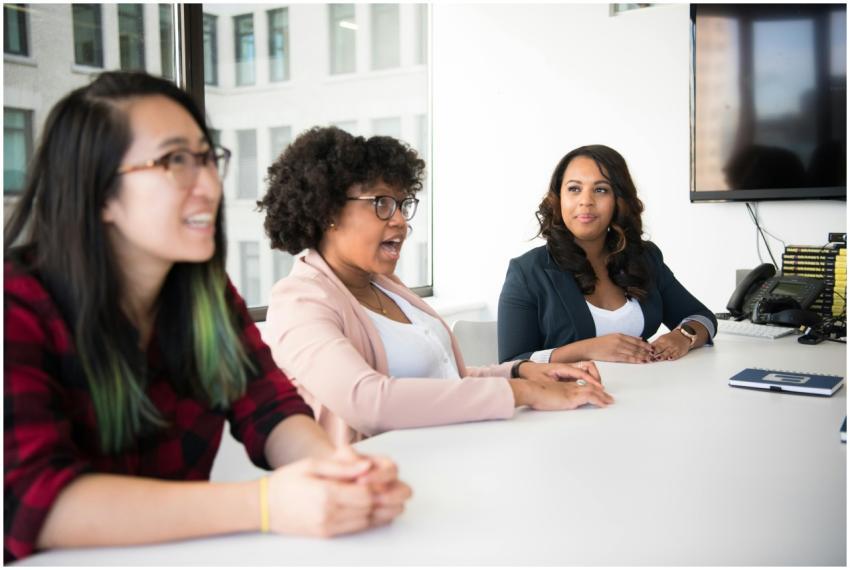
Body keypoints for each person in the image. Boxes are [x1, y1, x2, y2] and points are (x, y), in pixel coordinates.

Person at [3, 72, 410, 563]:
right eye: (175, 161)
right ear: (99, 193)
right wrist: (264, 504)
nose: (209, 184)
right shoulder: (17, 304)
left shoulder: (206, 293)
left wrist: (339, 474)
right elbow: (29, 503)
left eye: (206, 158)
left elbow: (269, 408)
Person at [258, 127, 613, 446]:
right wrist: (520, 392)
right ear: (328, 212)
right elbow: (369, 402)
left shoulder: (386, 285)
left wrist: (522, 371)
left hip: (449, 461)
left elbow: (443, 377)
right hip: (379, 492)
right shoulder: (300, 301)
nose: (399, 220)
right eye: (381, 203)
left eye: (402, 204)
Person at [497, 144, 716, 365]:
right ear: (558, 198)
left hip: (647, 391)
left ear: (618, 200)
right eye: (574, 189)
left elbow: (702, 317)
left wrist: (684, 336)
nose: (586, 201)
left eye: (601, 189)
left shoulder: (644, 257)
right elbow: (512, 364)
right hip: (570, 396)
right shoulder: (527, 272)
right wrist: (589, 349)